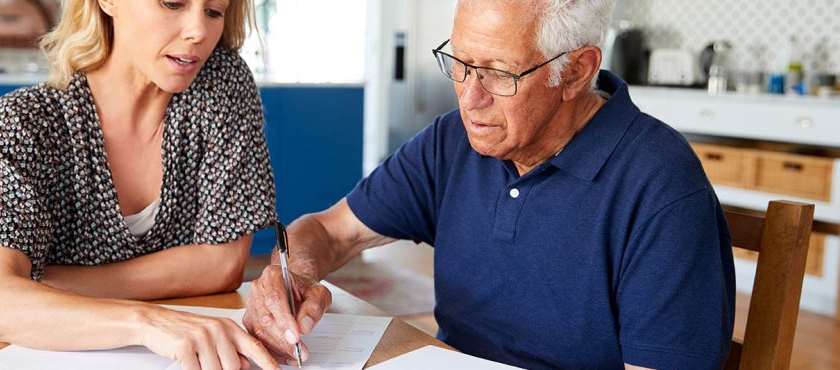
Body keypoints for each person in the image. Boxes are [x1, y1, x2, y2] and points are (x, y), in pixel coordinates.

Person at [242, 0, 735, 369]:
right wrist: (292, 277)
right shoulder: (453, 142)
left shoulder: (662, 188)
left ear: (576, 72)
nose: (469, 98)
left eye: (498, 74)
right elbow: (331, 231)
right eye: (460, 62)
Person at [0, 1, 280, 369]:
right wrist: (147, 322)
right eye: (172, 3)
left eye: (214, 11)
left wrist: (39, 287)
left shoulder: (219, 83)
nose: (198, 31)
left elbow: (222, 264)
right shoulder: (24, 123)